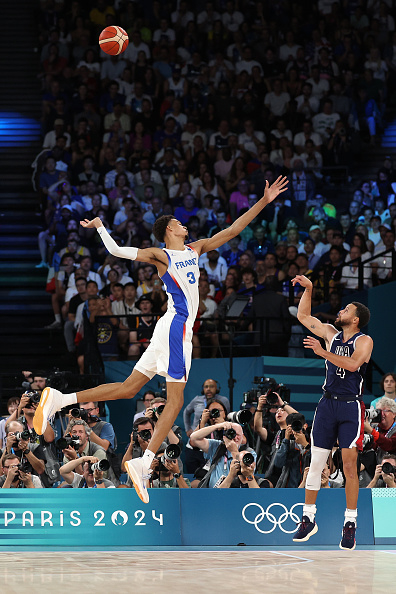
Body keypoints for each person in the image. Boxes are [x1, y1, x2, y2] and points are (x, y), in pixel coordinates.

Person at [33, 176, 289, 503]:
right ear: (169, 230)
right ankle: (144, 461)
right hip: (176, 328)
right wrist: (100, 227)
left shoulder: (196, 248)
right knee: (177, 401)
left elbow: (233, 230)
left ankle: (59, 400)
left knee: (128, 388)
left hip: (169, 328)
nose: (185, 225)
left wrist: (265, 201)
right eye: (179, 223)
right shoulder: (161, 255)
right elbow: (116, 250)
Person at [291, 274, 373, 550]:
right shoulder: (330, 333)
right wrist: (310, 288)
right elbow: (303, 316)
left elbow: (352, 365)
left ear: (356, 319)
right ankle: (308, 518)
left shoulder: (364, 340)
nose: (341, 311)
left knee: (349, 467)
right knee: (315, 463)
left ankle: (350, 523)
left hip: (350, 406)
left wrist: (322, 353)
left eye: (346, 310)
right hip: (327, 403)